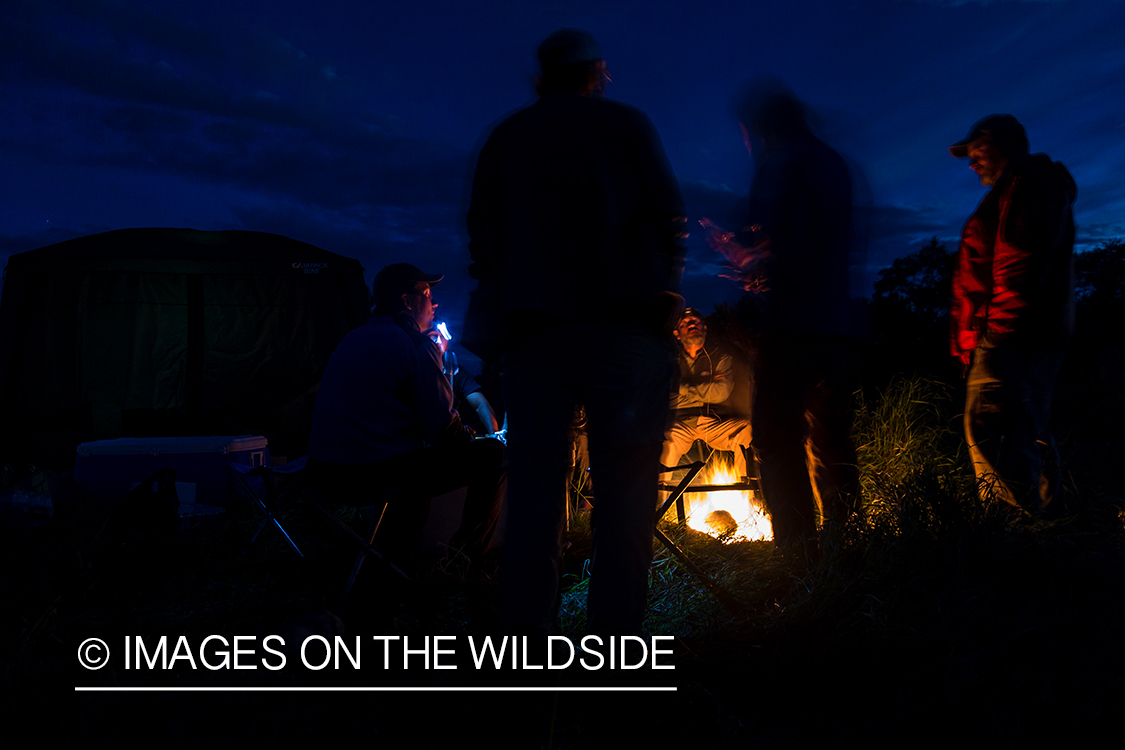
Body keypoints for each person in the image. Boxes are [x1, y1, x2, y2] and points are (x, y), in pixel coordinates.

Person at [466, 28, 686, 636]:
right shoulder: (626, 126)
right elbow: (668, 215)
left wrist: (500, 310)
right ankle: (617, 642)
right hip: (625, 332)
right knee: (626, 493)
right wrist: (666, 289)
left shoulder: (509, 138)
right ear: (596, 71)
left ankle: (526, 641)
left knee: (536, 492)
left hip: (536, 337)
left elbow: (483, 240)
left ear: (542, 76)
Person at [709, 81, 862, 548]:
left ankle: (798, 553)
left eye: (748, 135)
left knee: (776, 437)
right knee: (830, 434)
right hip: (836, 324)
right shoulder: (832, 164)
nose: (749, 145)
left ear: (763, 131)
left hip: (792, 326)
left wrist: (747, 261)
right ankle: (846, 541)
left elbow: (787, 250)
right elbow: (820, 245)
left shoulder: (783, 167)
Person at [306, 263, 505, 570]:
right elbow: (444, 432)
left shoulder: (353, 339)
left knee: (414, 456)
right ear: (407, 301)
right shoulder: (414, 345)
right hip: (372, 475)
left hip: (323, 475)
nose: (434, 303)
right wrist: (476, 437)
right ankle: (463, 560)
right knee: (495, 456)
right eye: (427, 294)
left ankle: (399, 557)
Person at [948, 114, 1076, 515]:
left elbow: (1020, 260)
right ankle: (1047, 532)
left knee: (991, 429)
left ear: (1002, 142)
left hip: (1013, 334)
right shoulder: (1023, 186)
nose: (971, 163)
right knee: (1026, 429)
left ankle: (1013, 541)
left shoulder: (1029, 183)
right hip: (1028, 331)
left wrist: (996, 334)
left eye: (976, 151)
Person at [660, 307, 753, 480]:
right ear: (677, 333)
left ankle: (748, 492)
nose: (692, 324)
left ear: (705, 328)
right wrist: (707, 386)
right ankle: (660, 500)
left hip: (714, 422)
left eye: (696, 321)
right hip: (681, 423)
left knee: (746, 430)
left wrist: (682, 388)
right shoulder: (670, 360)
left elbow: (721, 392)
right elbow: (667, 396)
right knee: (669, 442)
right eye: (685, 323)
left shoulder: (720, 356)